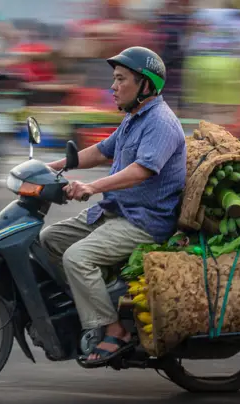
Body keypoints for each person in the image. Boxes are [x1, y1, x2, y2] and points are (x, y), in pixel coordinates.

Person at [41, 47, 186, 367]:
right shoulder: (134, 118)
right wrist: (48, 168)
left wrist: (92, 186)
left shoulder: (161, 122)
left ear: (145, 85)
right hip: (117, 212)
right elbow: (101, 151)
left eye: (121, 79)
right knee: (49, 240)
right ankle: (95, 305)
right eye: (114, 79)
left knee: (77, 257)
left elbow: (143, 170)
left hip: (143, 221)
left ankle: (114, 329)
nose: (113, 86)